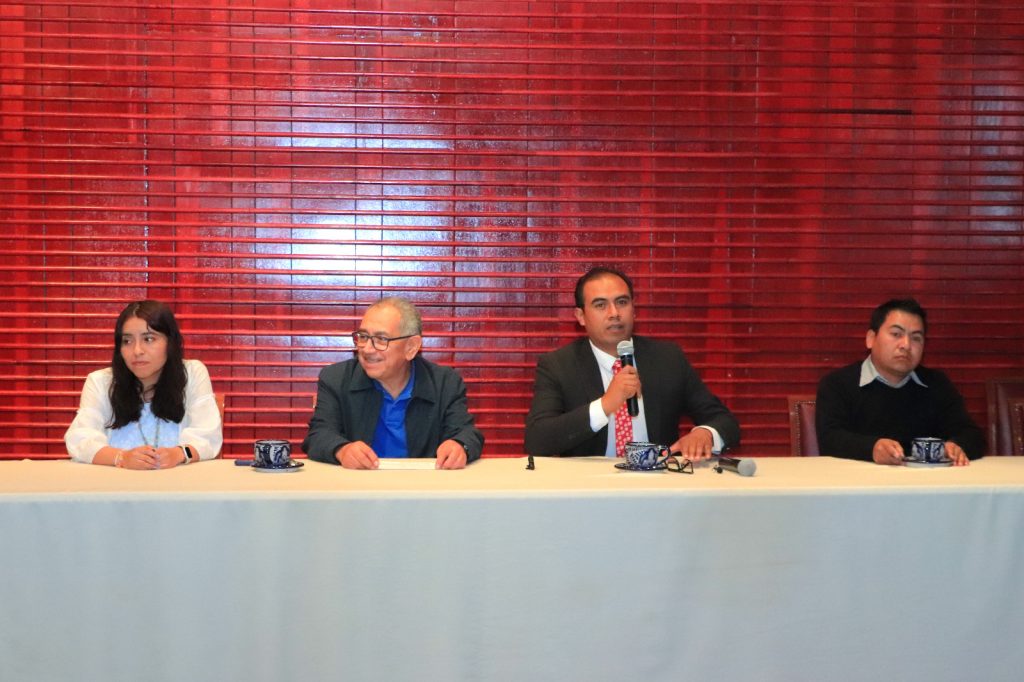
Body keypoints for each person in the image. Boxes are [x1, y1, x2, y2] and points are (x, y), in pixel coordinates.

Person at [524, 267, 740, 460]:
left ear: (634, 309)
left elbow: (724, 421)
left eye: (622, 302)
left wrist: (706, 433)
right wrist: (605, 405)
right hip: (590, 486)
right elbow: (537, 440)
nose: (614, 313)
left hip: (657, 481)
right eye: (601, 305)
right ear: (581, 316)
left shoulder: (667, 358)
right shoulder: (558, 365)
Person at [302, 297, 483, 469]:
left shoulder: (444, 383)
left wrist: (459, 445)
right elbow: (319, 435)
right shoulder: (336, 379)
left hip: (422, 485)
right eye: (363, 336)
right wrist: (342, 450)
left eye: (381, 339)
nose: (367, 349)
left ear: (411, 347)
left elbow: (467, 433)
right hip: (358, 484)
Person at [815, 298, 984, 466]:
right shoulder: (837, 384)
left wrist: (957, 446)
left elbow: (972, 435)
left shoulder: (937, 384)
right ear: (871, 339)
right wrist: (871, 448)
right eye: (896, 334)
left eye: (916, 338)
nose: (906, 345)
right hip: (860, 480)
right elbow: (830, 439)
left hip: (925, 481)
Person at [64, 300, 222, 468]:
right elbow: (80, 440)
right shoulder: (100, 382)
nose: (137, 351)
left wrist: (179, 454)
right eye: (127, 341)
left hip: (180, 482)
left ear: (170, 342)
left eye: (148, 339)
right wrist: (121, 458)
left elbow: (207, 439)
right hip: (114, 481)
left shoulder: (192, 374)